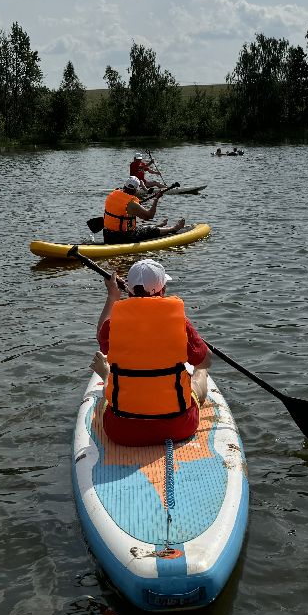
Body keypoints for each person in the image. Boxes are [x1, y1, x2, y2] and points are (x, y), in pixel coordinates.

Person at [90, 259, 211, 446]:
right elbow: (203, 360)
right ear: (162, 290)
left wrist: (113, 296)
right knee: (200, 373)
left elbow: (101, 339)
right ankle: (196, 383)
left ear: (129, 291)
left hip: (121, 430)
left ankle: (107, 376)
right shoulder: (180, 322)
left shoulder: (113, 326)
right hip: (179, 427)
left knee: (113, 387)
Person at [101, 177, 183, 244]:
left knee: (137, 228)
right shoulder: (131, 204)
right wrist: (156, 199)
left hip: (107, 235)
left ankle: (158, 226)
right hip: (122, 238)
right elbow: (149, 216)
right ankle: (173, 229)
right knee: (148, 231)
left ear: (124, 186)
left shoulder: (113, 194)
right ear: (136, 190)